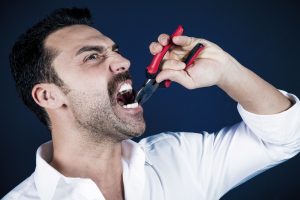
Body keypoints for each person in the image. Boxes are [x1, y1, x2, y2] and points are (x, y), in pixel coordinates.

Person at [3, 7, 300, 200]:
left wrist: (226, 70)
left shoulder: (181, 160)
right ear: (48, 96)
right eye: (92, 56)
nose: (123, 61)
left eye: (114, 51)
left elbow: (285, 136)